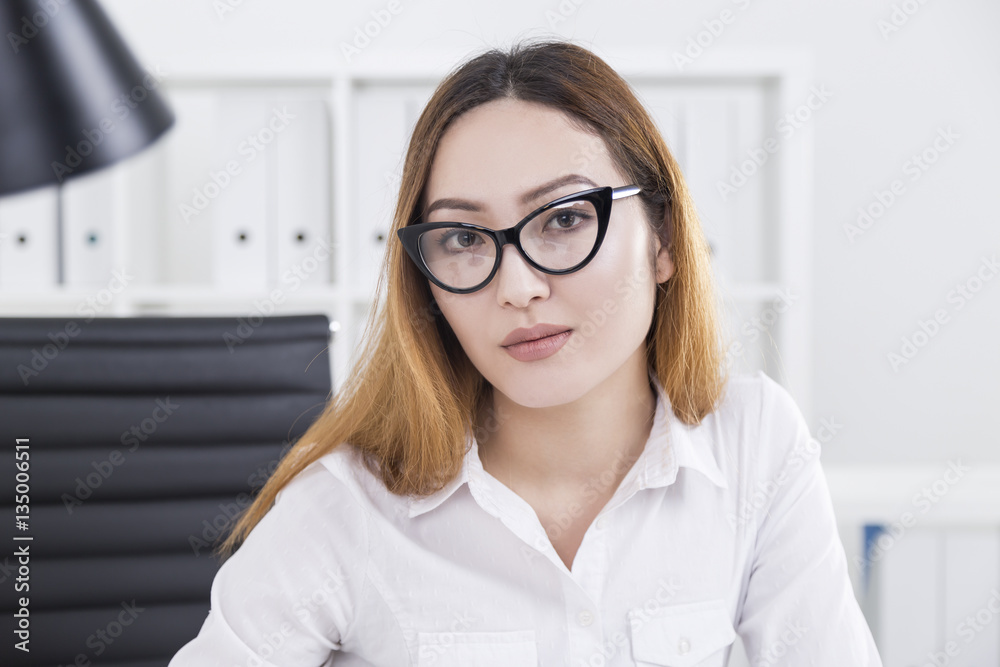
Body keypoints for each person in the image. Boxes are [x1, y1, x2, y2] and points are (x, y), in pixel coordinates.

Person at [169, 39, 883, 666]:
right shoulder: (346, 507)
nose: (516, 286)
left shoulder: (754, 443)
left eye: (566, 219)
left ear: (662, 238)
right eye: (463, 238)